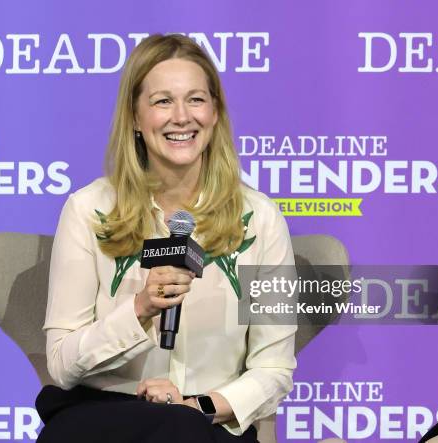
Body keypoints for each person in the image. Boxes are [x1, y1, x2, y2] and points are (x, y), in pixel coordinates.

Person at [36, 34, 297, 443]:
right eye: (162, 101)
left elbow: (274, 369)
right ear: (135, 118)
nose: (181, 117)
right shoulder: (88, 211)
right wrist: (139, 309)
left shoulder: (260, 220)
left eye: (196, 100)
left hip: (205, 419)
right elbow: (62, 364)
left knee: (181, 430)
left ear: (215, 114)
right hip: (104, 419)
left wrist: (197, 408)